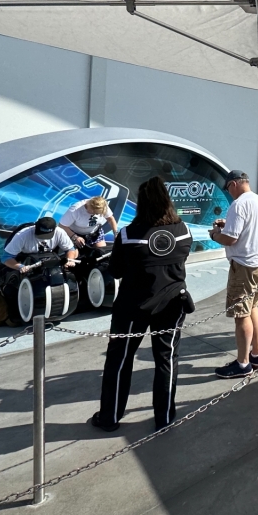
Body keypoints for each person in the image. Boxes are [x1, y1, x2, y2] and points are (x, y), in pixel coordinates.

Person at [93, 177, 194, 432]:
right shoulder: (184, 231)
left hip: (132, 306)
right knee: (167, 359)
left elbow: (115, 271)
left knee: (120, 360)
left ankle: (110, 417)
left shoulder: (128, 235)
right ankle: (165, 417)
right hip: (172, 302)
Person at [208, 170, 258, 379]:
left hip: (244, 265)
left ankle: (243, 364)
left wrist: (215, 234)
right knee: (253, 308)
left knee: (241, 313)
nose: (229, 193)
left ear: (233, 184)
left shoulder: (238, 204)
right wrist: (227, 225)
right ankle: (257, 354)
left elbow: (230, 239)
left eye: (228, 188)